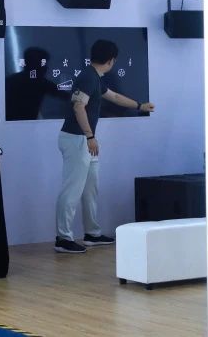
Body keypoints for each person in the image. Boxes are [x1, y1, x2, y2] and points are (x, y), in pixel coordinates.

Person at [55, 39, 155, 253]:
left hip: (84, 140)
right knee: (72, 190)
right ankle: (63, 238)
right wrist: (90, 136)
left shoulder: (94, 77)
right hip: (77, 139)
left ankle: (92, 233)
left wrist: (140, 106)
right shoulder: (88, 77)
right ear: (111, 61)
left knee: (90, 188)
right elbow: (78, 106)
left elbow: (115, 97)